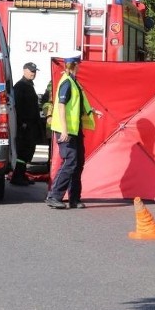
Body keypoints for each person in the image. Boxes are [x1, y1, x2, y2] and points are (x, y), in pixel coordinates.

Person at [45, 53, 100, 209]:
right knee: (71, 162)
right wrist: (64, 130)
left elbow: (76, 105)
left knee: (78, 163)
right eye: (79, 64)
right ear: (75, 65)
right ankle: (54, 196)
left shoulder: (74, 82)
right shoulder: (67, 83)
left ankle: (74, 198)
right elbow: (61, 106)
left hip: (74, 130)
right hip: (66, 130)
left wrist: (91, 112)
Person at [10, 62, 42, 186]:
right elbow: (17, 107)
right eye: (30, 71)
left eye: (34, 71)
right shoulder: (20, 86)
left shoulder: (28, 85)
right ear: (24, 70)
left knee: (28, 151)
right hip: (24, 126)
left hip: (31, 125)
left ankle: (22, 175)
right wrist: (22, 123)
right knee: (22, 152)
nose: (33, 73)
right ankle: (17, 176)